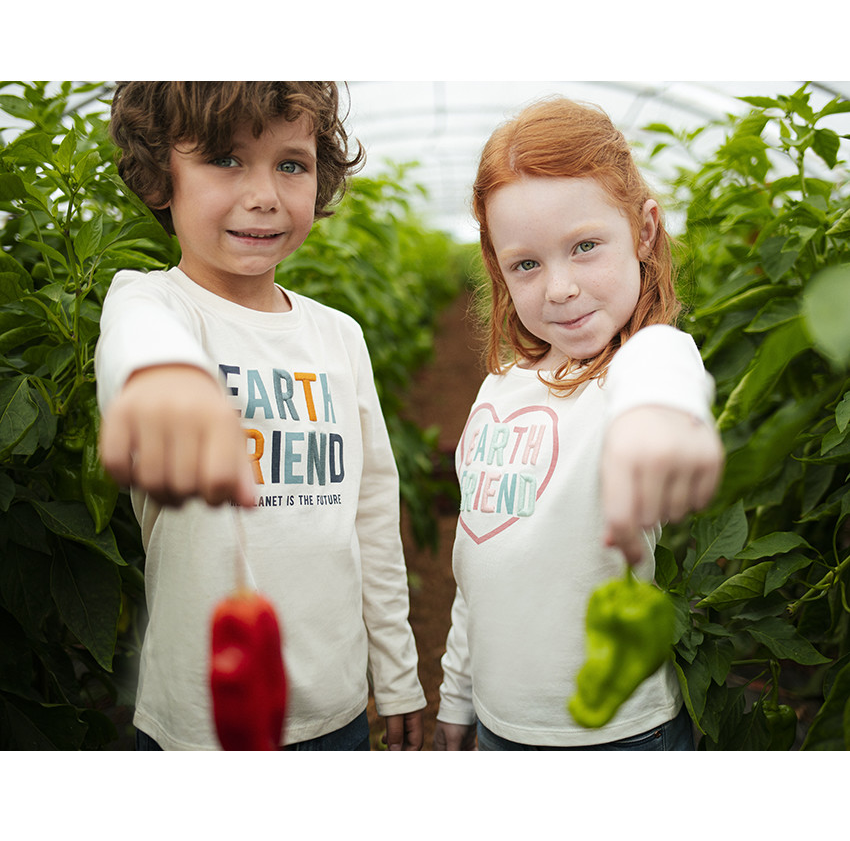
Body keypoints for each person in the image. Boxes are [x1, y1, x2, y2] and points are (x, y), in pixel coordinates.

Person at [95, 82, 426, 751]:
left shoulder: (338, 337)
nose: (265, 194)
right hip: (201, 719)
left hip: (334, 711)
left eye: (291, 164)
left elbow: (371, 517)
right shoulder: (154, 308)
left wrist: (397, 678)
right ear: (162, 175)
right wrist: (165, 378)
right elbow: (137, 342)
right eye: (225, 159)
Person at [433, 97, 724, 751]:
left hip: (622, 735)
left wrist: (658, 417)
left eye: (585, 246)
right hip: (496, 724)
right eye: (527, 264)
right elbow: (478, 556)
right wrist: (457, 692)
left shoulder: (644, 361)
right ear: (498, 266)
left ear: (644, 232)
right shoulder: (500, 389)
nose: (559, 288)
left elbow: (662, 370)